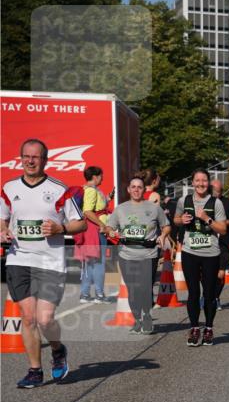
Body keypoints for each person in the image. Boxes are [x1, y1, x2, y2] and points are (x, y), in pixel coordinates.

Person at [0, 138, 87, 388]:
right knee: (28, 318)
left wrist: (61, 227)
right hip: (19, 259)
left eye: (35, 157)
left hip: (50, 262)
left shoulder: (60, 190)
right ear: (20, 158)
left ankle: (58, 350)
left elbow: (80, 223)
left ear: (45, 160)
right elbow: (2, 218)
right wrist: (3, 231)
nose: (30, 161)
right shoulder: (9, 188)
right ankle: (35, 371)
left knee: (45, 319)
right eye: (26, 156)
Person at [105, 177, 171, 334]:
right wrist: (111, 231)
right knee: (133, 289)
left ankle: (147, 316)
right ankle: (137, 319)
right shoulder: (120, 209)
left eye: (139, 187)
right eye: (133, 187)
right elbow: (109, 227)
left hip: (149, 253)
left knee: (145, 287)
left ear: (144, 190)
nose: (136, 189)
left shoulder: (154, 208)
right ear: (128, 189)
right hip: (127, 254)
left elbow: (166, 225)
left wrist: (163, 236)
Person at [173, 169, 228, 346]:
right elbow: (175, 219)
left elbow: (223, 229)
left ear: (209, 182)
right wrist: (182, 220)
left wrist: (207, 219)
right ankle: (195, 328)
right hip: (190, 252)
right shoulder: (184, 200)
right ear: (192, 182)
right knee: (193, 293)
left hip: (211, 254)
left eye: (204, 180)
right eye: (197, 180)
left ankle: (209, 328)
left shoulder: (216, 203)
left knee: (210, 294)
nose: (201, 184)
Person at [77, 166, 110, 303]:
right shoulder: (91, 191)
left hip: (90, 231)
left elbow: (96, 208)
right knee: (98, 263)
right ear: (95, 177)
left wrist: (108, 198)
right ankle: (99, 294)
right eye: (101, 175)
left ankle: (85, 294)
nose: (102, 178)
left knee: (89, 263)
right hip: (95, 232)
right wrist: (102, 225)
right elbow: (88, 212)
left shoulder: (87, 189)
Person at [210, 179, 229, 309]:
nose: (218, 192)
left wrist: (223, 222)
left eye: (220, 190)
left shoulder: (227, 203)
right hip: (207, 242)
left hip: (223, 242)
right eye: (216, 190)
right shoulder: (205, 201)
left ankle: (215, 297)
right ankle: (206, 296)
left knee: (220, 273)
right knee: (207, 273)